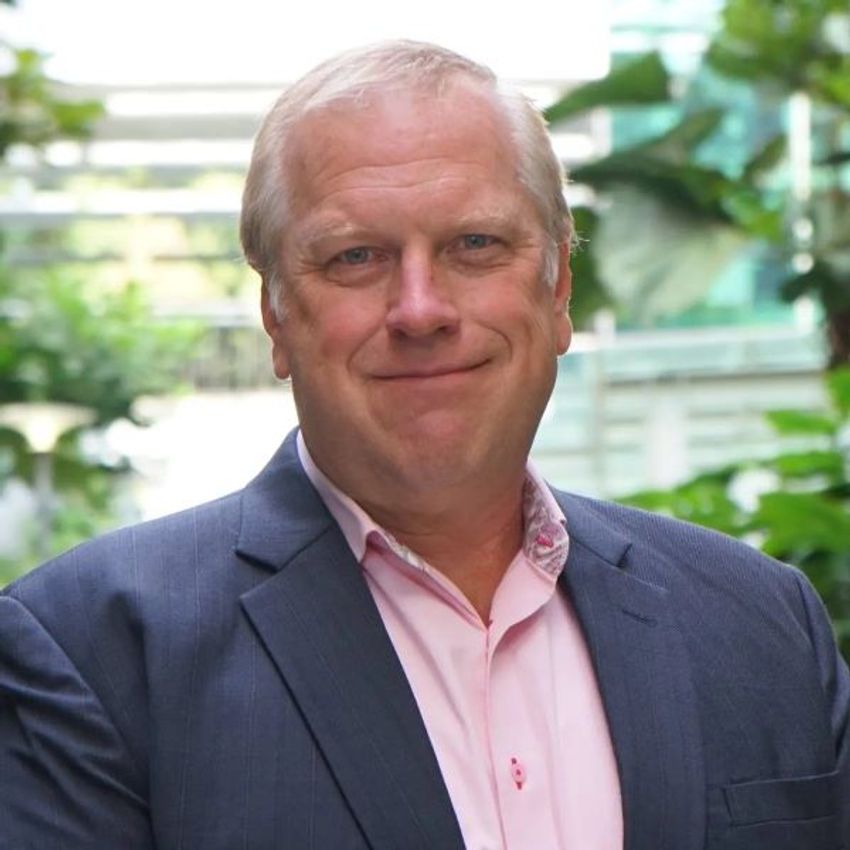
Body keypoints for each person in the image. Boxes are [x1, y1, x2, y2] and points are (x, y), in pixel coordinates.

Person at [1, 40, 847, 850]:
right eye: (356, 256)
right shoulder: (91, 652)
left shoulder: (764, 625)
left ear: (558, 289)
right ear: (276, 317)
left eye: (475, 245)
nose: (421, 309)